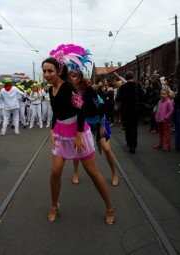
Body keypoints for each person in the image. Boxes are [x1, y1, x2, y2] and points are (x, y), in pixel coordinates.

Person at [43, 45, 114, 224]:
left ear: (58, 71)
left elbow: (81, 110)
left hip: (77, 132)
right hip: (61, 132)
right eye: (44, 71)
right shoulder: (51, 90)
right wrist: (52, 130)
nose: (46, 75)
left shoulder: (68, 88)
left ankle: (110, 207)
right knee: (55, 171)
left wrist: (80, 135)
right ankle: (54, 205)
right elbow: (56, 113)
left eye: (49, 71)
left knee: (92, 172)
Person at [69, 69, 119, 186]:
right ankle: (75, 173)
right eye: (70, 76)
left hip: (99, 121)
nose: (72, 78)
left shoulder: (89, 90)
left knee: (106, 148)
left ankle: (114, 173)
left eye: (75, 76)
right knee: (78, 148)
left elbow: (101, 106)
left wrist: (101, 125)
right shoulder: (71, 92)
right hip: (84, 123)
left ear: (80, 78)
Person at [118, 71, 145, 154]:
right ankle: (133, 146)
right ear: (133, 77)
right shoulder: (137, 86)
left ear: (125, 78)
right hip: (135, 110)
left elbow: (119, 98)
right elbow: (142, 97)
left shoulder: (122, 88)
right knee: (133, 128)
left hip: (125, 110)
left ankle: (129, 142)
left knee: (127, 127)